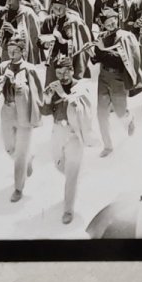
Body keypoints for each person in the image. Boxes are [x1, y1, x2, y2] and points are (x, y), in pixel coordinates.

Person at [41, 56, 98, 224]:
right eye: (59, 73)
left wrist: (62, 94)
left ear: (72, 70)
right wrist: (47, 98)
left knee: (71, 174)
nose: (63, 76)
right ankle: (73, 180)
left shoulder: (80, 87)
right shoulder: (53, 86)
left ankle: (68, 209)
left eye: (66, 72)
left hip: (74, 134)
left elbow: (80, 108)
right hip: (58, 130)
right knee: (59, 165)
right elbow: (45, 112)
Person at [0, 36, 43, 202]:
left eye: (15, 51)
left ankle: (18, 188)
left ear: (23, 52)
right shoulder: (2, 67)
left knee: (20, 153)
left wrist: (17, 84)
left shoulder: (29, 69)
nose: (11, 54)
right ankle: (29, 158)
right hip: (7, 110)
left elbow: (37, 94)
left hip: (24, 112)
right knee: (9, 147)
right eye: (9, 51)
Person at [89, 11, 142, 157]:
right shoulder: (102, 37)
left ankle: (129, 118)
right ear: (103, 25)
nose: (111, 25)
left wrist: (102, 51)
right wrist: (93, 54)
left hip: (117, 78)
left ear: (117, 20)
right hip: (103, 77)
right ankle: (108, 146)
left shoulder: (126, 36)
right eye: (107, 24)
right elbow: (97, 58)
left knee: (120, 112)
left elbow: (122, 61)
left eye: (113, 22)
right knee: (101, 114)